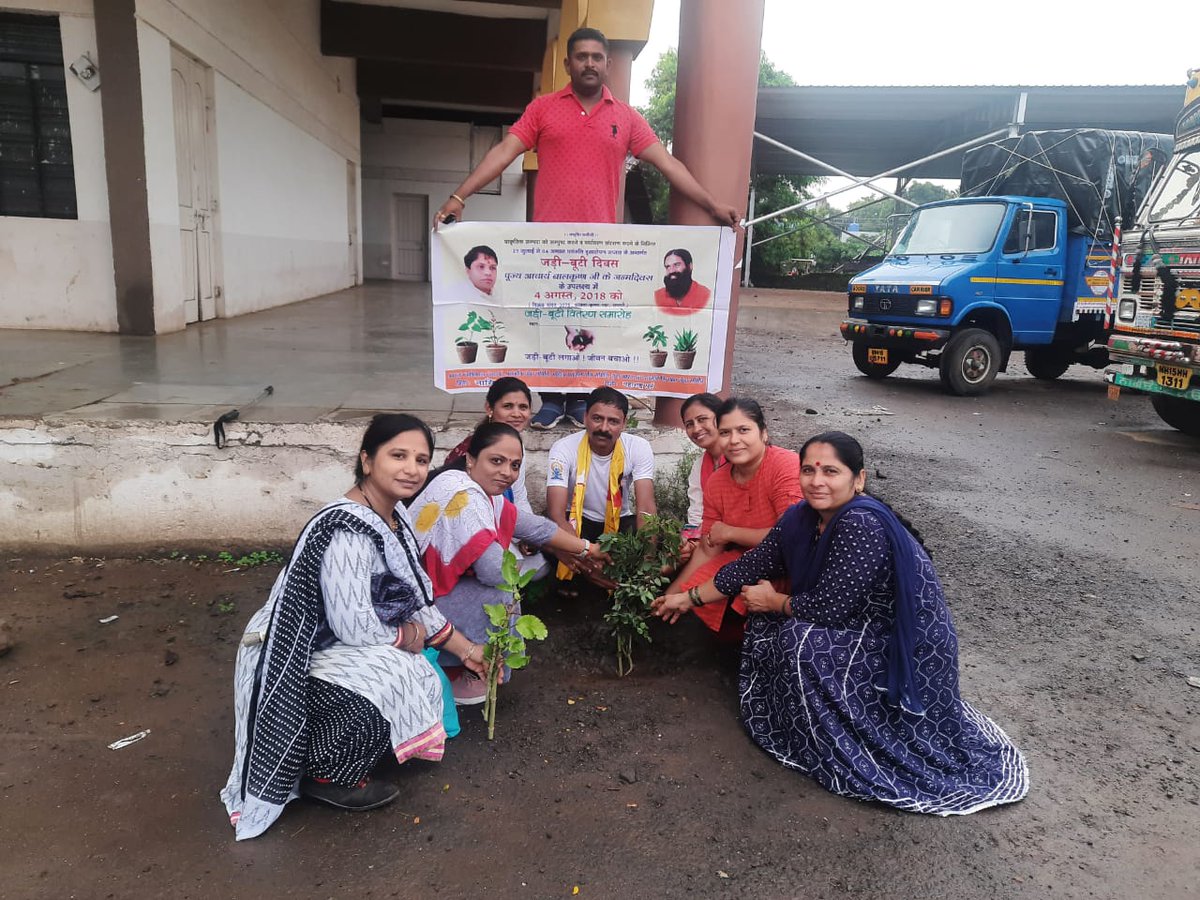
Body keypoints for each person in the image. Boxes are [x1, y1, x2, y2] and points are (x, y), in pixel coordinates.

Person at [652, 432, 1030, 815]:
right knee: (768, 628)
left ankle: (850, 744)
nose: (817, 481)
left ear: (858, 479)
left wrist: (774, 600)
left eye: (831, 471)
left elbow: (829, 609)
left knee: (802, 642)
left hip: (897, 638)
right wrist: (687, 597)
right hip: (853, 621)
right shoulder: (801, 517)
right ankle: (806, 732)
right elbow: (753, 565)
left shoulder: (861, 522)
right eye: (809, 470)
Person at [432, 26, 740, 432]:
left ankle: (580, 399)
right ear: (568, 64)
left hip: (601, 247)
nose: (590, 63)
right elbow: (504, 152)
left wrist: (712, 204)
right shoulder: (542, 109)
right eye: (582, 57)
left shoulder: (625, 117)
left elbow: (667, 164)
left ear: (608, 64)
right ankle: (550, 399)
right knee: (548, 316)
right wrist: (459, 196)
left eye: (597, 57)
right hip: (547, 246)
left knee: (591, 321)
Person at [220, 414, 487, 840]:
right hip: (296, 648)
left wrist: (469, 649)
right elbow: (356, 626)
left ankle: (337, 748)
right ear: (367, 461)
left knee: (414, 670)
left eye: (421, 459)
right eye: (397, 455)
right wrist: (410, 638)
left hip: (334, 643)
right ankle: (323, 774)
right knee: (400, 671)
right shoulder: (348, 528)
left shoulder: (392, 519)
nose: (411, 468)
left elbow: (417, 602)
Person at [411, 422, 610, 704]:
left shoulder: (466, 485)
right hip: (410, 605)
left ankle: (458, 662)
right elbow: (494, 570)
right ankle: (472, 672)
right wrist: (521, 568)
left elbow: (532, 527)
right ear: (471, 458)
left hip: (423, 592)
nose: (507, 472)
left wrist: (587, 549)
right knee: (503, 593)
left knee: (508, 583)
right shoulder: (465, 496)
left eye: (514, 465)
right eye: (497, 461)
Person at [665, 398, 802, 640]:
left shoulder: (784, 464)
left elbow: (790, 538)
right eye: (725, 433)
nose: (734, 440)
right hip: (741, 558)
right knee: (696, 584)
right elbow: (709, 549)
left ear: (764, 433)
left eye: (744, 430)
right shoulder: (717, 481)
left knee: (742, 596)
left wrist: (730, 532)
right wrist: (670, 594)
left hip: (788, 560)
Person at [545, 386, 656, 584]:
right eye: (597, 418)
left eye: (613, 421)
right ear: (586, 417)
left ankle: (624, 578)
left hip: (619, 522)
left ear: (624, 424)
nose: (604, 428)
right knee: (548, 531)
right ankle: (579, 578)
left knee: (651, 538)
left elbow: (646, 509)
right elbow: (555, 512)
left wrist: (646, 565)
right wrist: (586, 556)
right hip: (577, 521)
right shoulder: (563, 448)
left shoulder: (638, 447)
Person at [654, 249, 712, 315]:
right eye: (668, 267)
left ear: (690, 266)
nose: (671, 271)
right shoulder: (657, 296)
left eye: (677, 265)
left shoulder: (705, 294)